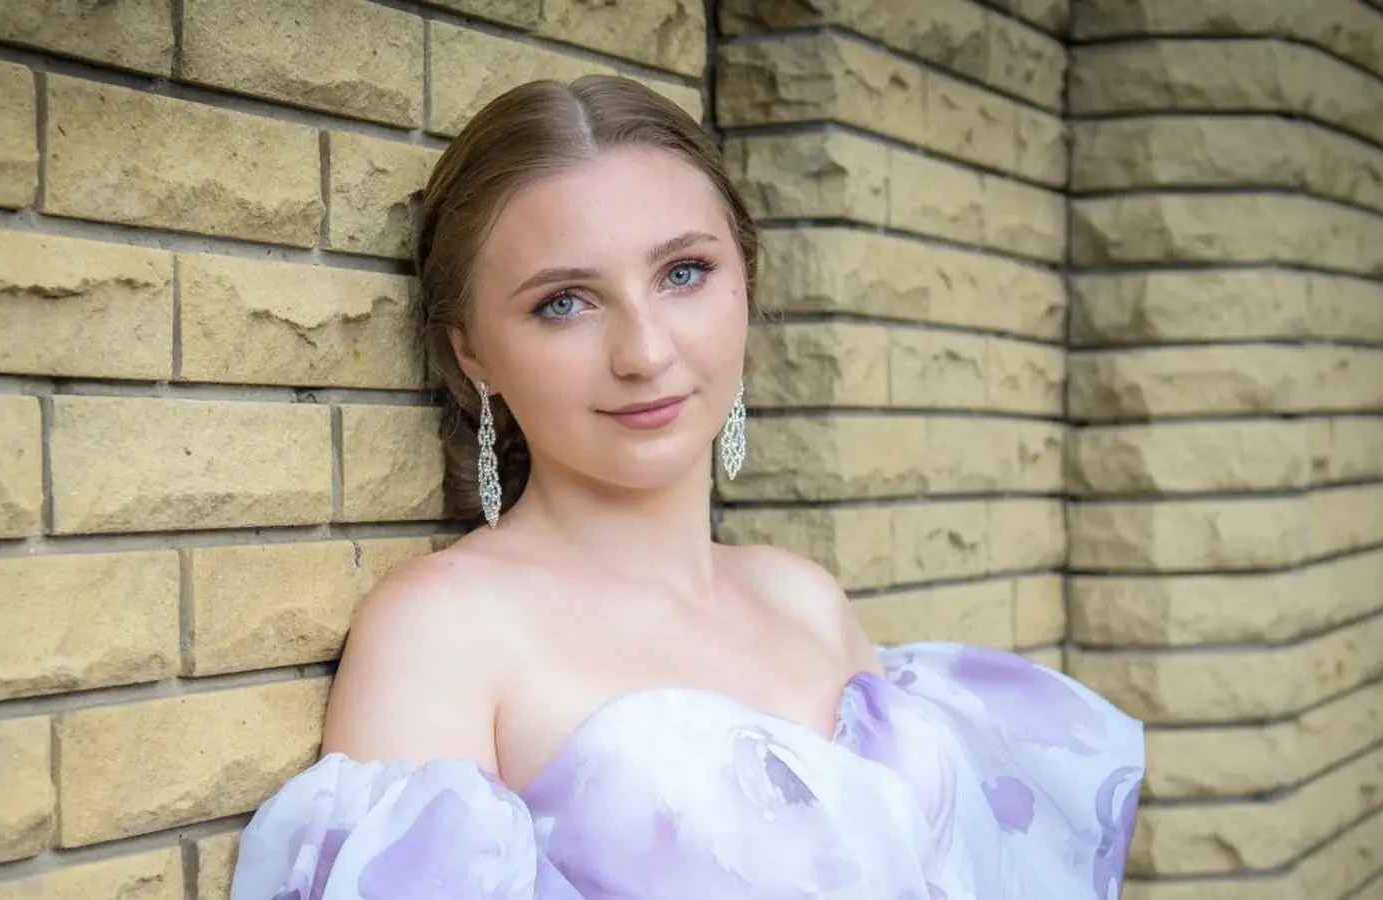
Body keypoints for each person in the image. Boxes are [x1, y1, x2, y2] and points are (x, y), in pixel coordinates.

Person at [229, 75, 1143, 900]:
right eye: (564, 302)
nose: (645, 351)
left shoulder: (805, 597)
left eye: (684, 274)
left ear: (746, 284)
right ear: (473, 352)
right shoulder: (446, 631)